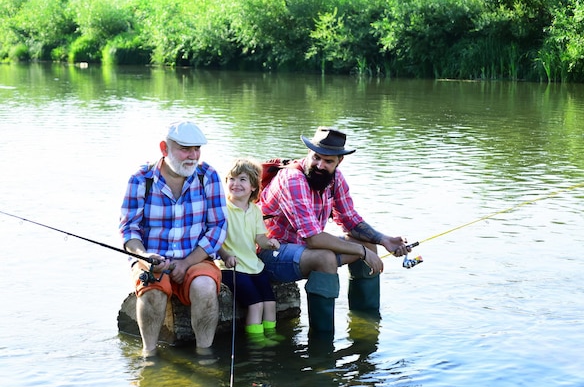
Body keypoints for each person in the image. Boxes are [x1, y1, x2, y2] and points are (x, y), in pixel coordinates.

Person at [258, 126, 410, 334]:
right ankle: (322, 342)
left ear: (339, 161)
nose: (320, 165)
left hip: (304, 250)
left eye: (328, 161)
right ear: (308, 153)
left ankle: (365, 323)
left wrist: (384, 240)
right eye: (316, 157)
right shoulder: (293, 180)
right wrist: (361, 252)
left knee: (368, 245)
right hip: (270, 253)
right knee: (326, 258)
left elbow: (350, 220)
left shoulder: (335, 179)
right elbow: (313, 238)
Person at [119, 121, 228, 362]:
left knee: (205, 286)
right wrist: (145, 257)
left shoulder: (207, 176)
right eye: (185, 149)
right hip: (153, 259)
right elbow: (129, 230)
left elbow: (218, 226)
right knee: (153, 291)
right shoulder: (141, 179)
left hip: (196, 257)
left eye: (196, 149)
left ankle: (204, 354)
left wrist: (187, 262)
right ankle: (149, 356)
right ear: (164, 148)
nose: (193, 156)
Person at [217, 158, 284, 347]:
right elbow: (215, 240)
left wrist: (269, 243)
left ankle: (270, 333)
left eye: (242, 180)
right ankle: (257, 341)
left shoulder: (255, 210)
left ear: (254, 186)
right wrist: (226, 256)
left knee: (270, 302)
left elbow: (260, 238)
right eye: (231, 179)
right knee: (256, 304)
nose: (235, 184)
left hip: (253, 265)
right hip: (231, 267)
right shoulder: (222, 209)